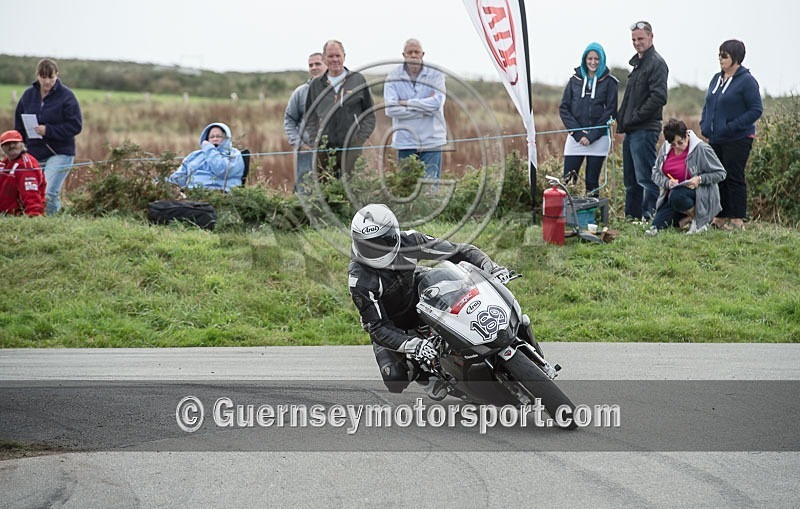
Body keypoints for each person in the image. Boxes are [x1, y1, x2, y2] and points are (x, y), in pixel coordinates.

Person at [348, 203, 509, 397]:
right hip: (391, 323)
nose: (376, 250)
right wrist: (414, 345)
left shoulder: (411, 241)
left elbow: (458, 251)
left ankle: (490, 329)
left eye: (382, 242)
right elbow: (377, 326)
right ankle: (424, 375)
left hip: (418, 290)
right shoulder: (359, 280)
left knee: (458, 282)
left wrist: (491, 267)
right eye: (368, 245)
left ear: (394, 234)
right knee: (395, 379)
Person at [700, 40, 763, 231]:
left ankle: (737, 218)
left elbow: (756, 109)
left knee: (734, 176)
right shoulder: (716, 79)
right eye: (719, 54)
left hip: (738, 137)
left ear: (736, 58)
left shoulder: (747, 81)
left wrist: (733, 126)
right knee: (718, 177)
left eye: (724, 55)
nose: (720, 58)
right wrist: (704, 124)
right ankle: (720, 216)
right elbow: (708, 104)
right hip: (715, 137)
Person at [14, 58, 82, 215]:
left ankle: (53, 225)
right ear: (37, 76)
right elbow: (19, 123)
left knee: (48, 193)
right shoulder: (28, 95)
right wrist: (20, 146)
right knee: (30, 191)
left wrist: (48, 130)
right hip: (33, 153)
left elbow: (75, 125)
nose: (47, 81)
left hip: (60, 152)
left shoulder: (67, 96)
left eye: (51, 77)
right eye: (43, 77)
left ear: (57, 75)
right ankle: (33, 221)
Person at [617, 21, 668, 221]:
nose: (637, 43)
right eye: (634, 39)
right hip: (632, 131)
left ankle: (651, 217)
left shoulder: (656, 63)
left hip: (645, 130)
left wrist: (635, 118)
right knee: (631, 180)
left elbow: (659, 98)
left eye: (640, 38)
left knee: (646, 178)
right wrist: (622, 119)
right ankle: (632, 217)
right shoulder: (638, 64)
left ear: (651, 37)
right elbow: (630, 99)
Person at [304, 40, 376, 179]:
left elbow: (369, 114)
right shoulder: (315, 85)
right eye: (330, 56)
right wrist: (315, 142)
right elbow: (310, 116)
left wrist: (359, 139)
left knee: (352, 188)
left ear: (344, 56)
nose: (335, 59)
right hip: (324, 149)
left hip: (351, 148)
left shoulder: (357, 80)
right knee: (326, 190)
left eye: (338, 55)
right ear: (324, 58)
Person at [645, 119, 727, 236]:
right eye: (673, 144)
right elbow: (655, 173)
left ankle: (699, 221)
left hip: (698, 194)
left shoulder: (701, 149)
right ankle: (686, 218)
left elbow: (721, 173)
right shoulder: (665, 149)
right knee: (656, 227)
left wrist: (699, 179)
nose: (677, 147)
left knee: (677, 196)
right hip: (672, 195)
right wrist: (667, 183)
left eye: (680, 142)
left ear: (687, 136)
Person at [558, 42, 618, 196]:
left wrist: (591, 136)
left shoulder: (610, 82)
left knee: (592, 182)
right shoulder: (574, 80)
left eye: (597, 59)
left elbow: (610, 112)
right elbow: (564, 109)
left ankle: (592, 217)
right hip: (575, 139)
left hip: (599, 139)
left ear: (602, 60)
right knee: (568, 180)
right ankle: (567, 216)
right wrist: (578, 134)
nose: (593, 62)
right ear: (584, 59)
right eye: (590, 58)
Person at [383, 38, 447, 180]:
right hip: (405, 141)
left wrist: (406, 103)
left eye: (416, 52)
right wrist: (424, 109)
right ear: (403, 55)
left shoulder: (435, 74)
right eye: (409, 52)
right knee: (406, 187)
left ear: (422, 54)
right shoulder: (393, 76)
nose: (413, 55)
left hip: (432, 141)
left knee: (430, 188)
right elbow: (390, 109)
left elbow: (437, 103)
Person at [284, 52, 326, 192]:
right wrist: (299, 144)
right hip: (306, 154)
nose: (314, 67)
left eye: (317, 64)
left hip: (334, 153)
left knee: (334, 192)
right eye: (310, 65)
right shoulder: (300, 92)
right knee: (305, 192)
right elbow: (289, 119)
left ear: (326, 64)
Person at [168, 123, 245, 191]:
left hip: (221, 195)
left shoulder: (233, 154)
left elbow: (221, 171)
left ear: (226, 138)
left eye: (218, 136)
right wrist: (162, 184)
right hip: (193, 196)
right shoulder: (195, 155)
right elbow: (178, 178)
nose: (215, 139)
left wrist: (209, 149)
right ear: (206, 139)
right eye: (211, 137)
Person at [0, 130, 46, 217]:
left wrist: (34, 216)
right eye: (7, 144)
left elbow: (31, 194)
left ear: (22, 144)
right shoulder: (4, 163)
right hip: (5, 216)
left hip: (18, 218)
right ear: (2, 147)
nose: (11, 146)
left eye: (15, 143)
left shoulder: (26, 166)